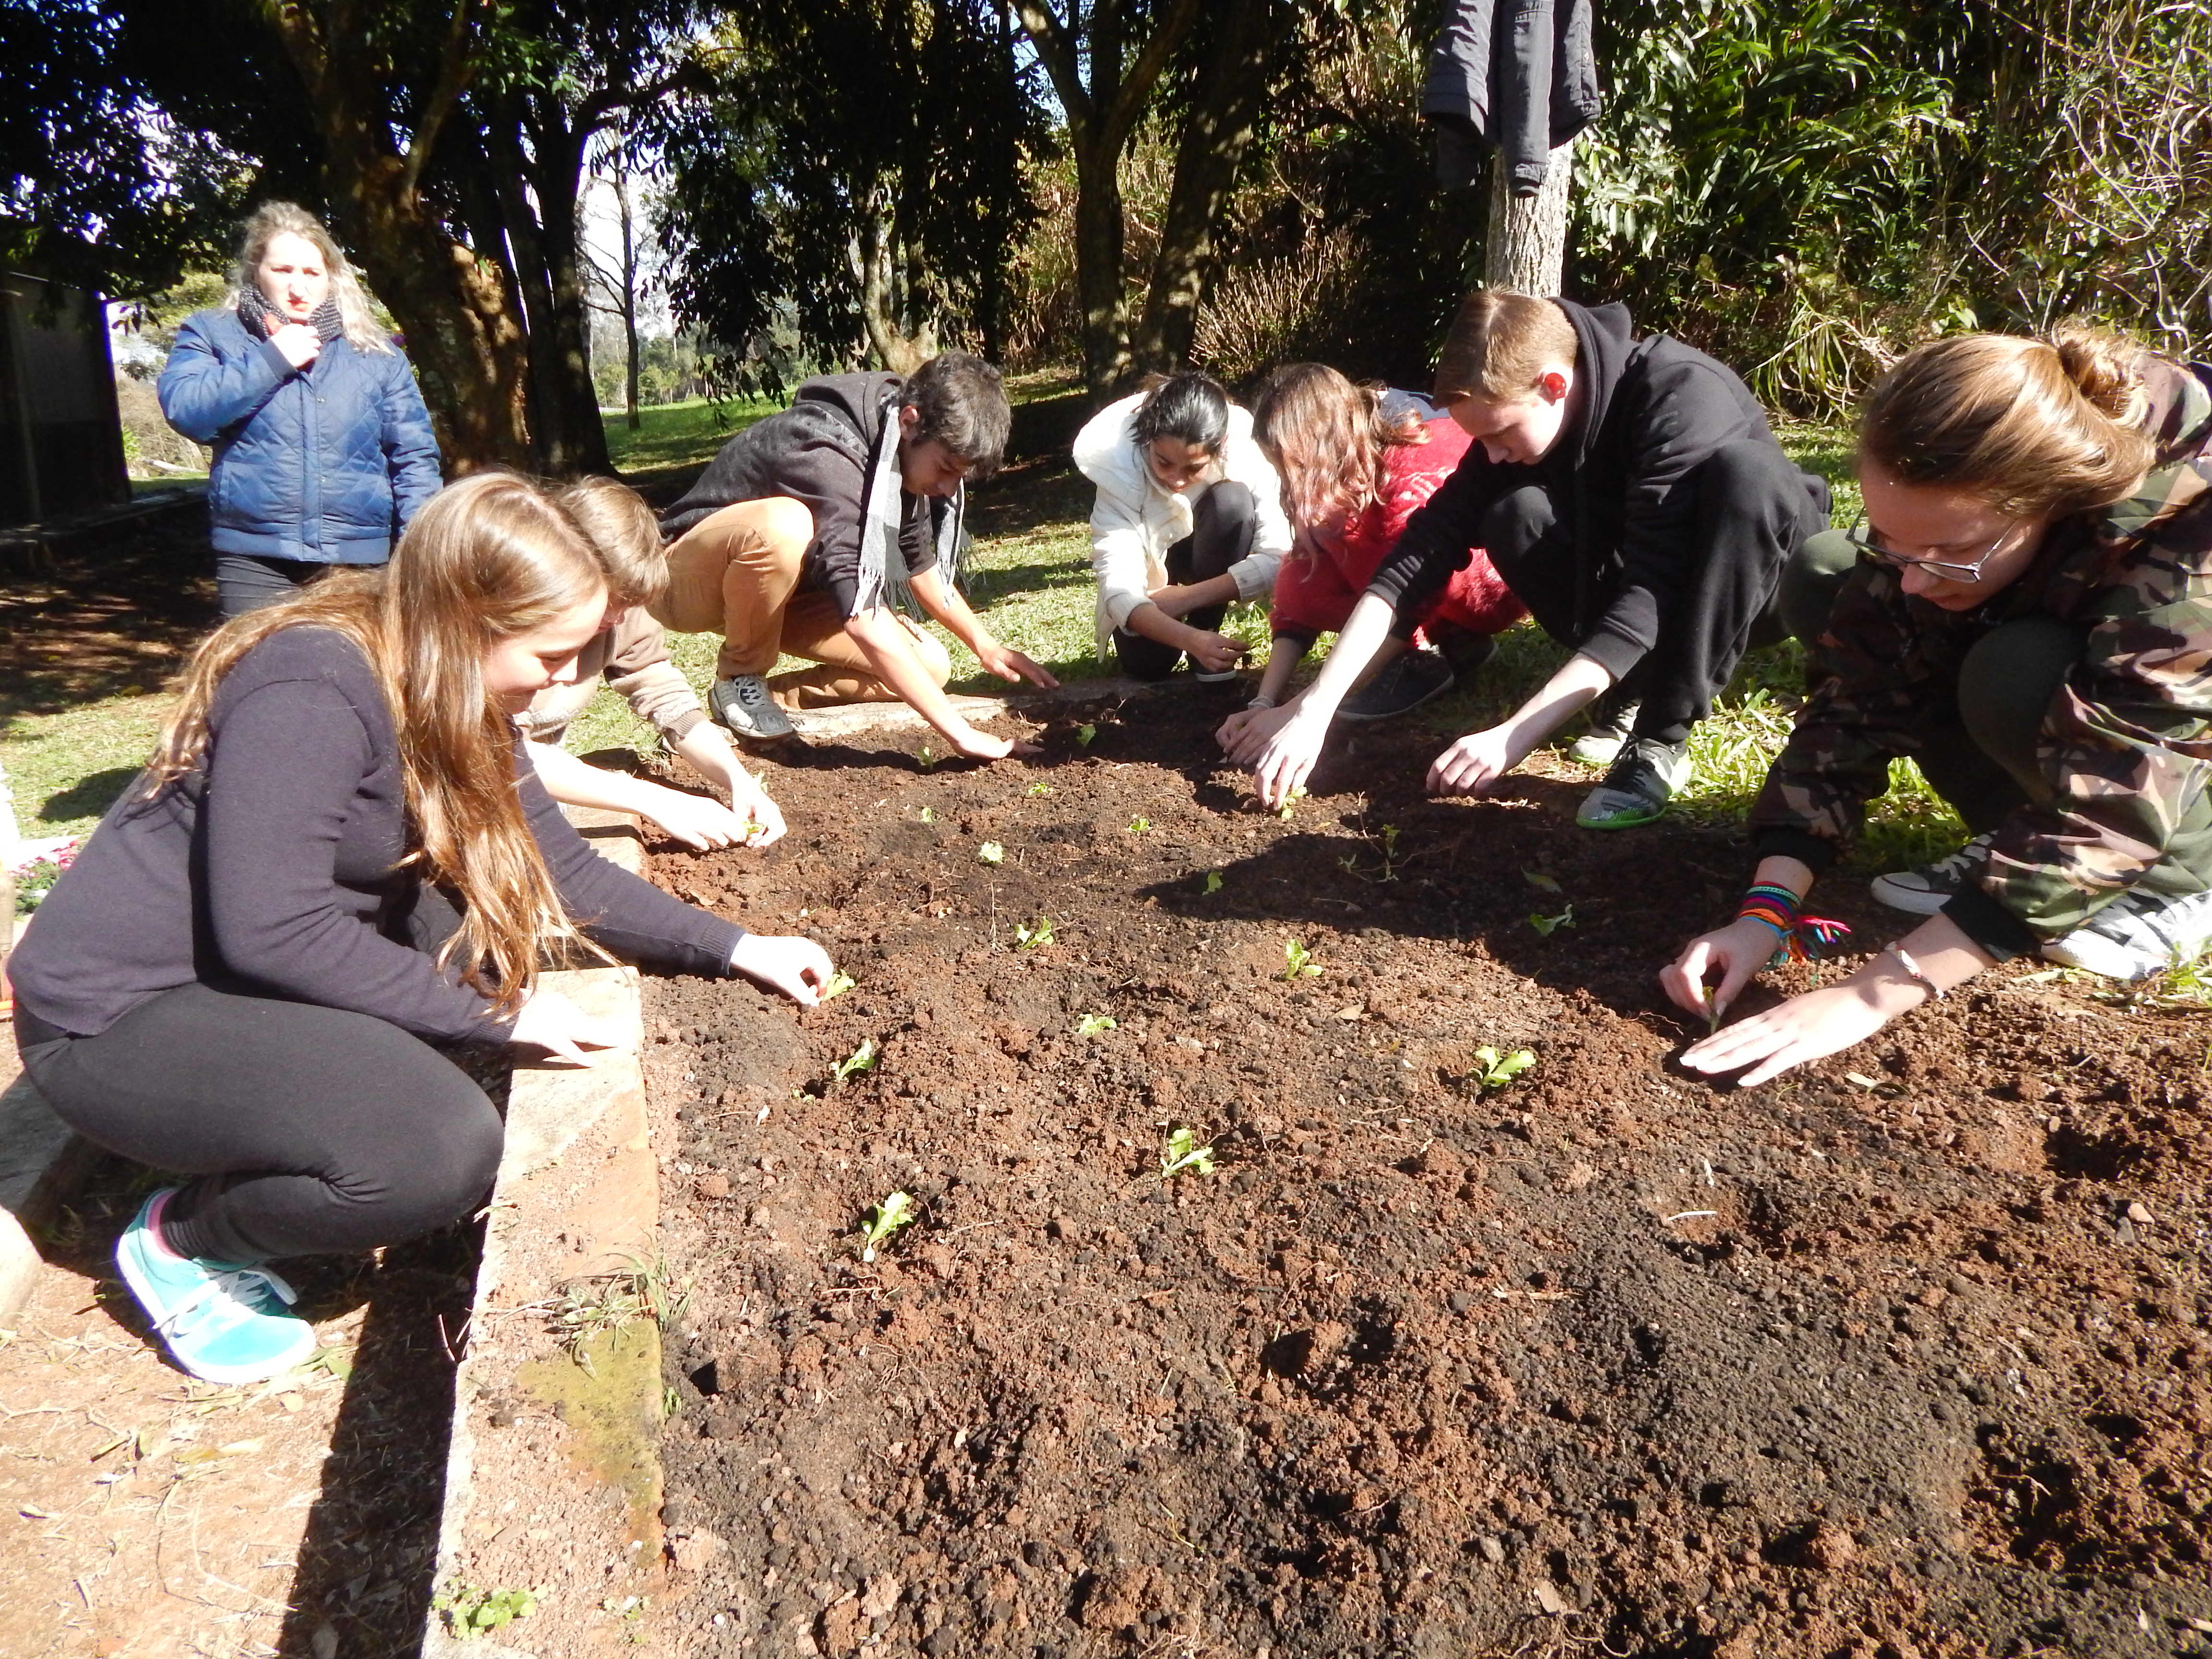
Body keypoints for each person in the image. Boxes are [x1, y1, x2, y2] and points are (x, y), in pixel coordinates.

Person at [7, 473, 833, 1385]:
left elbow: (564, 867)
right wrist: (494, 1019)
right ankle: (185, 1239)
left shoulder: (459, 688)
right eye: (553, 655)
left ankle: (306, 1100)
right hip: (124, 1012)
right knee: (433, 1151)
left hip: (240, 975)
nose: (567, 682)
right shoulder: (312, 683)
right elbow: (274, 929)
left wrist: (736, 945)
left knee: (483, 935)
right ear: (465, 620)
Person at [1666, 327, 2212, 1086]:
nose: (1916, 579)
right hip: (2086, 633)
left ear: (2053, 505)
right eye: (1895, 540)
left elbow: (2126, 777)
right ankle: (2013, 839)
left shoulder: (2186, 535)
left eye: (1951, 551)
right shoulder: (1953, 510)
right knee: (1831, 573)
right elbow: (1856, 698)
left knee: (2017, 670)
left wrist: (1870, 994)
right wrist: (1767, 910)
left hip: (2181, 719)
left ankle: (2178, 885)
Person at [1230, 290, 1840, 827]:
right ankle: (1627, 676)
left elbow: (1659, 582)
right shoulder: (1518, 423)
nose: (1490, 454)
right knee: (1513, 511)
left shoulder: (1677, 395)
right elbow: (1417, 557)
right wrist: (1316, 706)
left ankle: (1659, 738)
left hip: (1757, 590)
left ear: (1554, 385)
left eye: (1500, 435)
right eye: (1481, 440)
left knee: (1748, 476)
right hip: (1649, 585)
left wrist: (1514, 735)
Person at [653, 353, 1056, 758]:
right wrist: (960, 733)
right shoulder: (826, 450)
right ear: (911, 420)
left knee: (929, 666)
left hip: (787, 595)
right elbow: (861, 617)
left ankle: (772, 699)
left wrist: (986, 646)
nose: (950, 489)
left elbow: (915, 557)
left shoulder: (892, 447)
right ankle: (740, 679)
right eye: (946, 468)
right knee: (784, 525)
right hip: (686, 580)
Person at [159, 202, 443, 619]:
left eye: (312, 273)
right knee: (263, 677)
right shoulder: (212, 331)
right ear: (256, 269)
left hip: (357, 558)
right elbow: (187, 411)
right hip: (254, 555)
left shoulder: (376, 353)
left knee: (354, 678)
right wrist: (271, 359)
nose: (299, 287)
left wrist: (417, 550)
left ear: (332, 279)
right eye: (283, 270)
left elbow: (414, 457)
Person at [1230, 363, 1525, 725]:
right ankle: (1452, 646)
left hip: (1484, 582)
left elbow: (1414, 586)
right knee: (1313, 553)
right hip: (1413, 579)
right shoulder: (1340, 473)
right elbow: (1299, 587)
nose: (1293, 483)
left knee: (1363, 538)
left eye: (1297, 468)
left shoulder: (1410, 473)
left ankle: (1430, 651)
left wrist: (1300, 712)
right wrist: (1263, 702)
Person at [517, 482, 788, 852]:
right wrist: (654, 799)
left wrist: (738, 779)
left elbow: (667, 699)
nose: (615, 617)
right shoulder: (507, 630)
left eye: (628, 603)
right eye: (610, 599)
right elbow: (500, 751)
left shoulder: (621, 613)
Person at [1074, 371, 1293, 683]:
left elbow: (1279, 556)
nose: (1177, 480)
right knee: (1148, 667)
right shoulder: (1118, 468)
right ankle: (1195, 641)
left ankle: (1207, 628)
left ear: (1222, 445)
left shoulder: (1246, 455)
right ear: (1148, 438)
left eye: (1194, 468)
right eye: (1164, 462)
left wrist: (1187, 599)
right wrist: (1183, 634)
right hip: (1152, 591)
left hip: (1204, 566)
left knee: (1232, 502)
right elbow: (1118, 586)